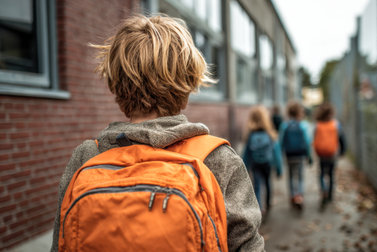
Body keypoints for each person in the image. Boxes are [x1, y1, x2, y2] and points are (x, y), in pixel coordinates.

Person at [50, 15, 264, 252]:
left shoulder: (87, 157)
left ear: (115, 82)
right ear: (189, 80)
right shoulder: (217, 159)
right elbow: (247, 246)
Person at [242, 106, 282, 215]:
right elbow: (276, 153)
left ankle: (259, 207)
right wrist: (279, 168)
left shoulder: (250, 136)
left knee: (258, 186)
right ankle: (268, 204)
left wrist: (243, 169)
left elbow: (246, 154)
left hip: (255, 164)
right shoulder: (270, 135)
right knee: (268, 183)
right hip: (267, 163)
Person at [279, 101, 312, 208]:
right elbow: (307, 142)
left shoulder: (284, 125)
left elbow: (280, 142)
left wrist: (280, 156)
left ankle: (293, 195)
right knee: (300, 176)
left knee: (291, 176)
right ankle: (300, 196)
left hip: (289, 155)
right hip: (300, 155)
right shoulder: (303, 125)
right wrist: (309, 155)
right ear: (299, 113)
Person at [313, 103, 346, 207]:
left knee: (322, 174)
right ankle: (330, 195)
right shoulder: (336, 124)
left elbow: (315, 139)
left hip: (321, 154)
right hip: (332, 154)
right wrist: (342, 151)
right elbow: (342, 139)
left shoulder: (318, 125)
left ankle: (324, 190)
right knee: (331, 175)